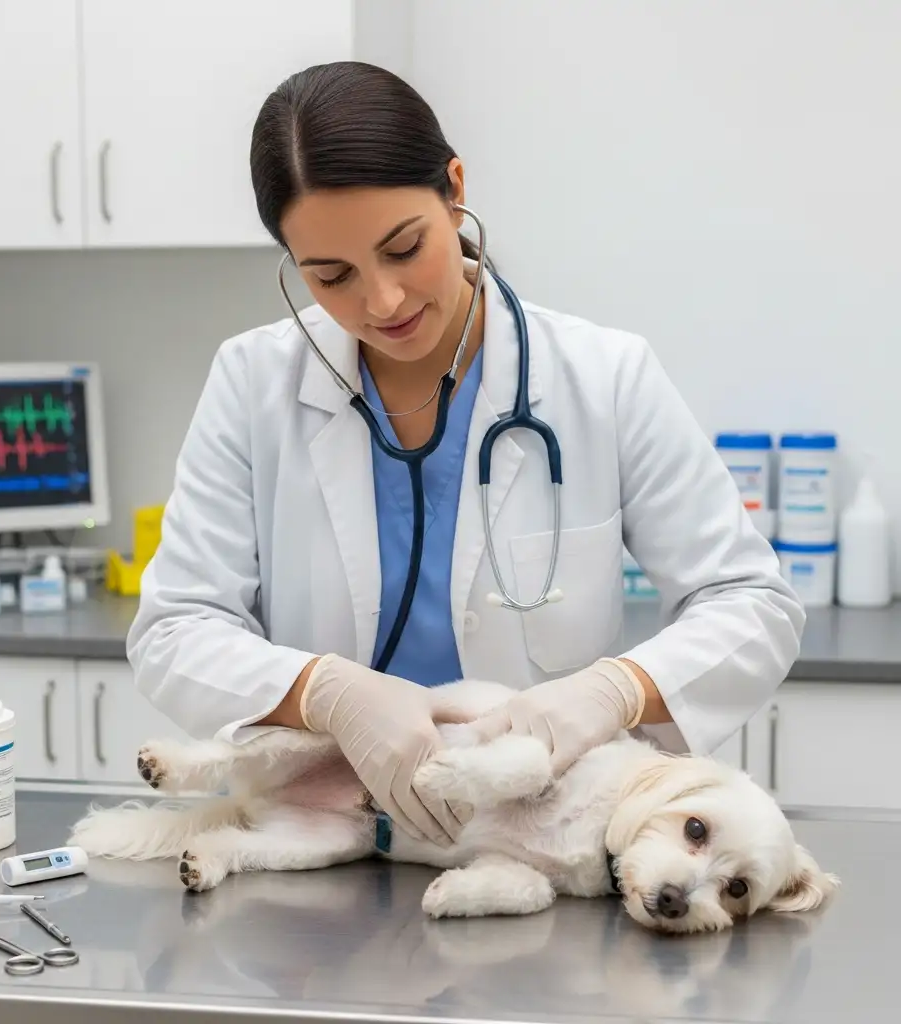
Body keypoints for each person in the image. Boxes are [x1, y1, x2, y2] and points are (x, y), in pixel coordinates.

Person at [128, 61, 804, 849]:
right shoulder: (253, 382)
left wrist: (616, 691)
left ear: (454, 190)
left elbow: (752, 604)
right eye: (331, 275)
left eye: (404, 247)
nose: (381, 301)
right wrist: (325, 693)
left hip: (539, 846)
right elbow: (173, 629)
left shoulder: (603, 377)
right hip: (321, 843)